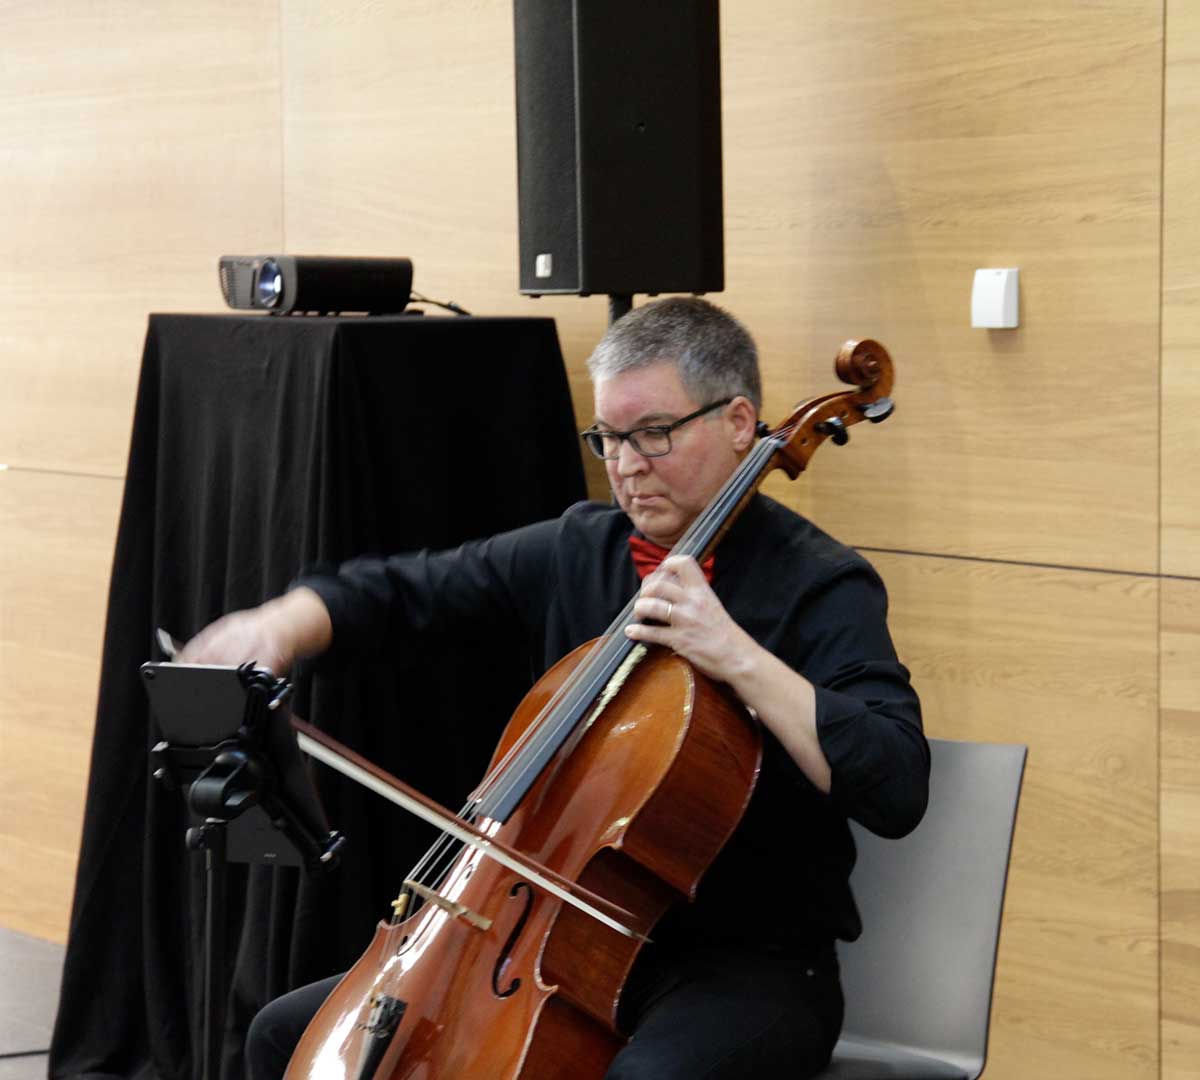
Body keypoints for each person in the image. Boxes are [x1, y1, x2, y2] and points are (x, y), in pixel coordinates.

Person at [180, 296, 929, 1079]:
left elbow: (896, 782)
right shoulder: (581, 548)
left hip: (744, 964)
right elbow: (414, 590)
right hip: (537, 936)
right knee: (284, 1036)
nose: (628, 466)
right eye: (609, 437)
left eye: (655, 434)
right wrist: (287, 622)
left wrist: (736, 655)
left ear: (740, 423)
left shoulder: (822, 584)